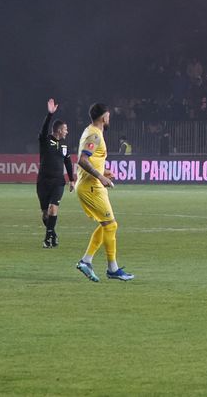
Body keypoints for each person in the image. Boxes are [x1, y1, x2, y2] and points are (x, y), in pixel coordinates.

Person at [74, 103, 135, 282]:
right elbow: (82, 160)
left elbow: (90, 159)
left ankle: (87, 261)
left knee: (106, 225)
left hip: (91, 185)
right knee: (110, 225)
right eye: (108, 115)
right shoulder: (94, 134)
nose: (109, 118)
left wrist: (103, 171)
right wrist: (100, 176)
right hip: (91, 187)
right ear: (103, 117)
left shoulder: (91, 131)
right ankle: (112, 268)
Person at [37, 98, 77, 248]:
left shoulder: (65, 145)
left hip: (58, 182)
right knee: (45, 213)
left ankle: (47, 238)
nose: (67, 131)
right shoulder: (45, 140)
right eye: (65, 129)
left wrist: (71, 179)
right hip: (43, 182)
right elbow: (44, 129)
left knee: (53, 208)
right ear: (59, 130)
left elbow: (68, 161)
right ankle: (52, 234)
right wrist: (50, 115)